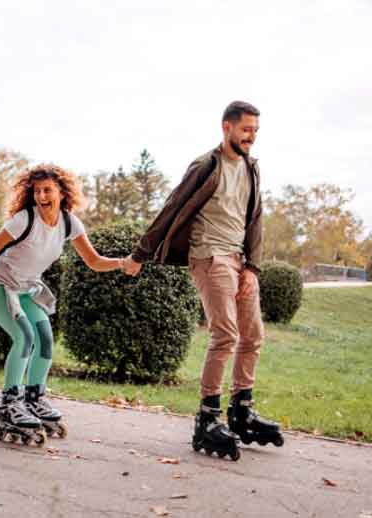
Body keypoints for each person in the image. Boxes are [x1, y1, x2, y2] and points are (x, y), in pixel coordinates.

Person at [123, 101, 282, 461]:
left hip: (240, 260)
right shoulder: (206, 166)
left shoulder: (252, 168)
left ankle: (241, 409)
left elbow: (255, 219)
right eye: (246, 130)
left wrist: (253, 268)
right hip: (209, 256)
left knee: (253, 335)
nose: (251, 137)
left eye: (256, 131)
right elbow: (172, 207)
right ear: (226, 127)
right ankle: (207, 416)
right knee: (225, 334)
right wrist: (139, 255)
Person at [0, 164, 124, 445]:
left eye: (47, 190)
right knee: (23, 336)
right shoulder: (23, 220)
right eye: (37, 191)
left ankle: (35, 398)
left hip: (25, 289)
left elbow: (94, 261)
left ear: (62, 192)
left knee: (46, 340)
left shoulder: (69, 223)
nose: (41, 196)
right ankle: (10, 403)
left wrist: (124, 263)